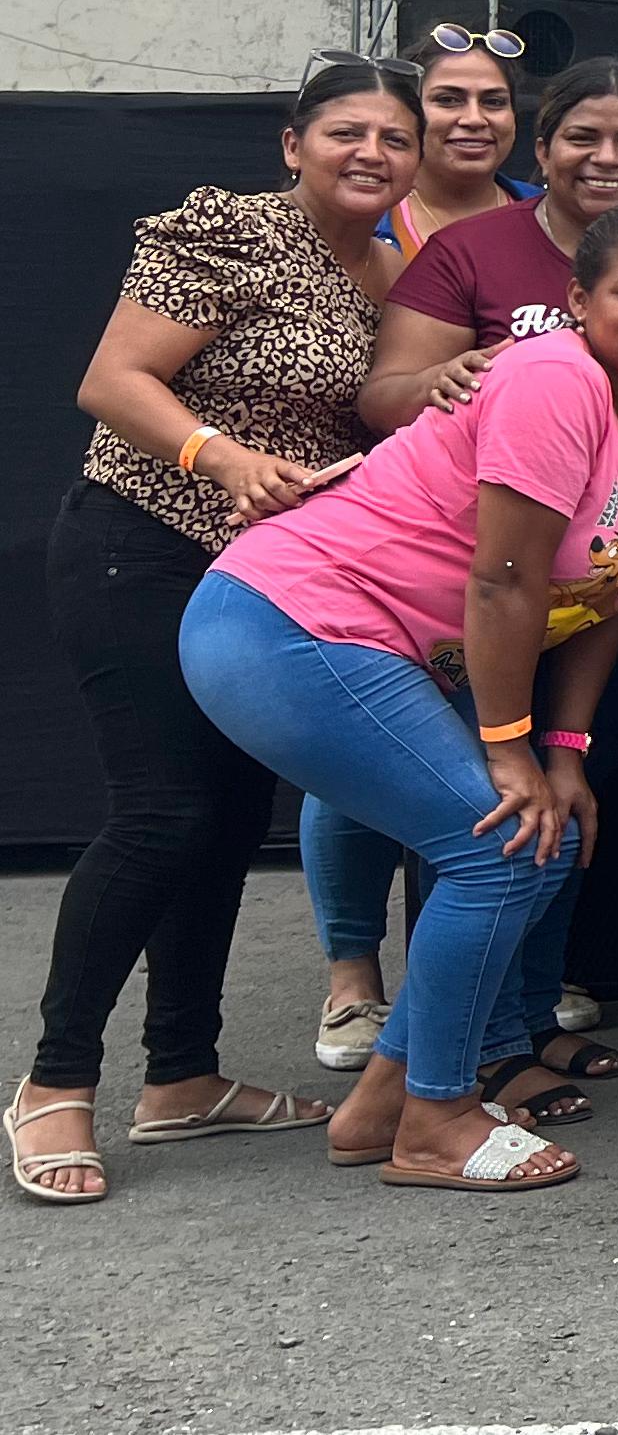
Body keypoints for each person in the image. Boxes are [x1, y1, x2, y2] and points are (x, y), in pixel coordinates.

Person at [180, 202, 618, 1197]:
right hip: (288, 621)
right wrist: (509, 748)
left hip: (372, 644)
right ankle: (438, 1117)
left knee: (533, 842)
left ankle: (383, 1103)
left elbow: (613, 591)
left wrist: (563, 752)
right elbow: (505, 582)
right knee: (498, 846)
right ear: (577, 300)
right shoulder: (554, 376)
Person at [13, 59, 413, 1207]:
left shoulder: (392, 274)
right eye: (346, 131)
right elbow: (112, 380)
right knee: (162, 811)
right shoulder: (229, 230)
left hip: (261, 580)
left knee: (233, 817)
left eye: (396, 138)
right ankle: (54, 1082)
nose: (371, 153)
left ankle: (181, 1076)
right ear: (294, 144)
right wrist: (221, 458)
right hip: (139, 543)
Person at [378, 23, 529, 255]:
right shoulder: (361, 217)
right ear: (407, 111)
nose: (474, 119)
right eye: (448, 100)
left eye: (493, 102)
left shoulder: (551, 215)